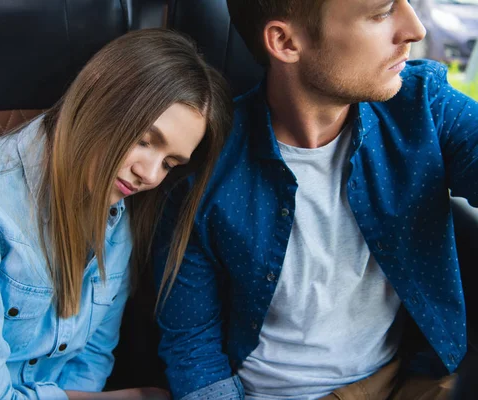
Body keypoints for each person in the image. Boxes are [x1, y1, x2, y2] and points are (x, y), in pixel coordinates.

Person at [0, 28, 232, 400]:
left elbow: (90, 359)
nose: (150, 174)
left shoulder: (119, 210)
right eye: (145, 140)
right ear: (98, 93)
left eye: (170, 163)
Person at [153, 1, 478, 399]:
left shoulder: (424, 104)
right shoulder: (206, 165)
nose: (415, 29)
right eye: (380, 13)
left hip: (407, 379)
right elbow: (191, 339)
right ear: (285, 41)